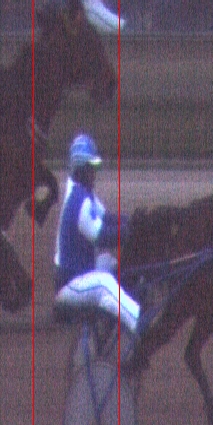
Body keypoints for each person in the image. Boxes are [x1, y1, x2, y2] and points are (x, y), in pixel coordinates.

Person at [53, 132, 140, 336]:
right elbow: (101, 237)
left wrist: (134, 221)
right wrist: (129, 232)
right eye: (92, 168)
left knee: (110, 263)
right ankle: (138, 322)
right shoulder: (79, 201)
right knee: (104, 282)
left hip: (81, 275)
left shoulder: (84, 194)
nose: (95, 173)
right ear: (81, 169)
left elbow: (107, 217)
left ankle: (111, 314)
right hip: (70, 286)